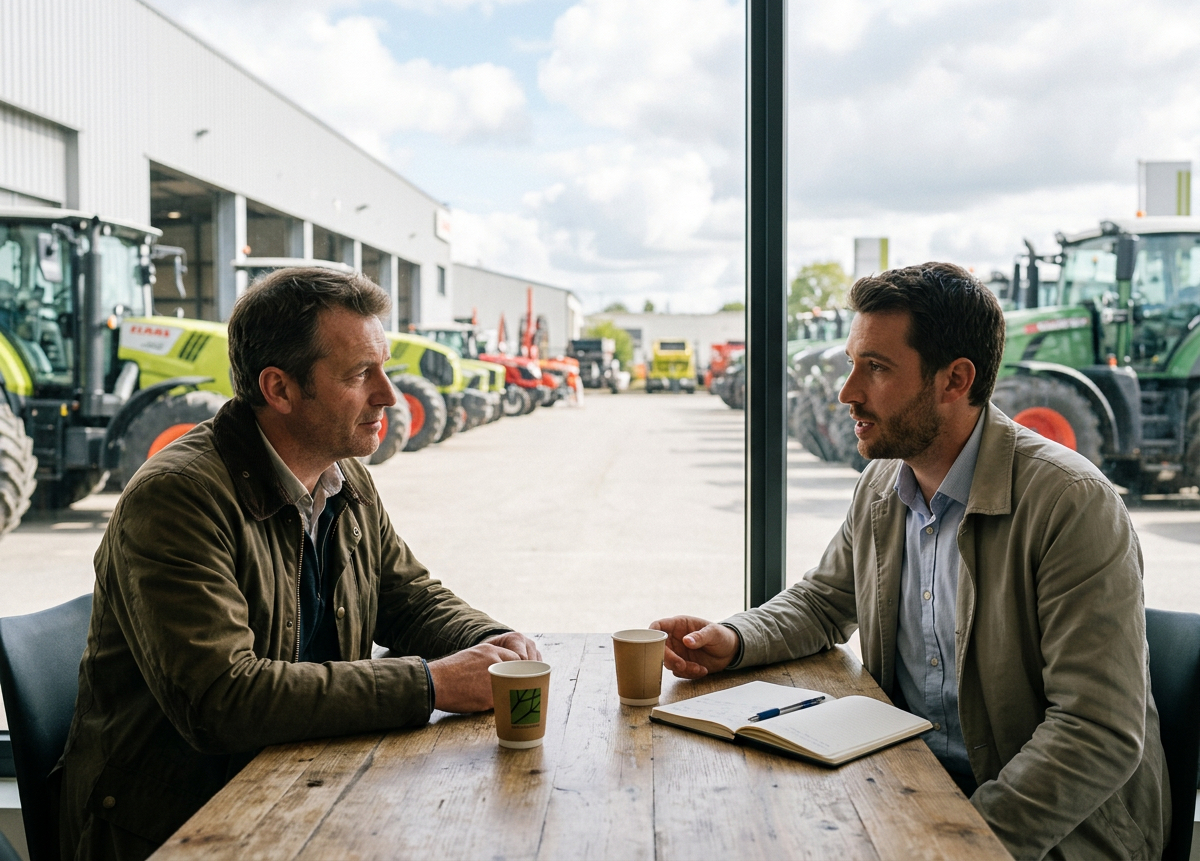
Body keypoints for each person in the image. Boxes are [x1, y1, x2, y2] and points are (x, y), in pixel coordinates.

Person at [653, 262, 1169, 860]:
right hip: (913, 789)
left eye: (875, 368)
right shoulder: (882, 484)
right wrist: (734, 638)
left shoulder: (1071, 504)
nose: (847, 393)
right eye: (852, 364)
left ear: (954, 380)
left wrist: (956, 842)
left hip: (1051, 834)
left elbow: (1096, 733)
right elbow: (824, 602)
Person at [58, 268, 540, 861]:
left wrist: (491, 640)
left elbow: (407, 598)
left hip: (300, 790)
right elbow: (222, 699)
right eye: (360, 374)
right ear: (280, 389)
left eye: (382, 368)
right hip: (176, 829)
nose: (388, 394)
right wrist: (433, 682)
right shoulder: (176, 497)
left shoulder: (345, 479)